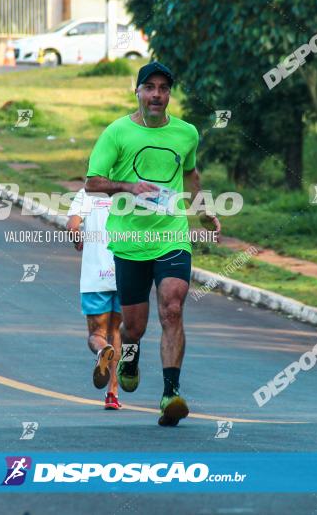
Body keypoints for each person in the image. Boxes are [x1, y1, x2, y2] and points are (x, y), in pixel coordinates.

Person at [84, 61, 221, 427]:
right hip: (130, 240)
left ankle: (170, 393)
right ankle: (129, 357)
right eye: (150, 87)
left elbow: (190, 171)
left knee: (172, 308)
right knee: (134, 327)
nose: (157, 95)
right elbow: (92, 182)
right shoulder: (117, 133)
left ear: (169, 94)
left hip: (171, 235)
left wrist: (203, 210)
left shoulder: (186, 133)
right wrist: (129, 187)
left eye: (163, 88)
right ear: (138, 91)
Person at [66, 187, 123, 410]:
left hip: (95, 278)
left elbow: (72, 226)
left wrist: (77, 238)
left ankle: (102, 350)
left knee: (96, 335)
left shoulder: (86, 193)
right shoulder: (129, 192)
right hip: (124, 272)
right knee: (116, 330)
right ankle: (113, 393)